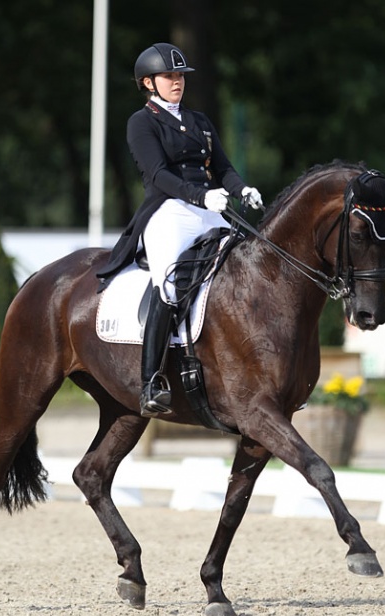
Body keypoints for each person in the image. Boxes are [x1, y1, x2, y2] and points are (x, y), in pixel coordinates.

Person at [97, 42, 263, 417]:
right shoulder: (142, 122)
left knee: (246, 267)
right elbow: (158, 175)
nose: (177, 82)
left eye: (180, 76)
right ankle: (151, 380)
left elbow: (223, 168)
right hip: (168, 211)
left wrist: (242, 190)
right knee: (169, 282)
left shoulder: (200, 121)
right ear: (148, 83)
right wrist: (201, 197)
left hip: (209, 207)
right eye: (169, 76)